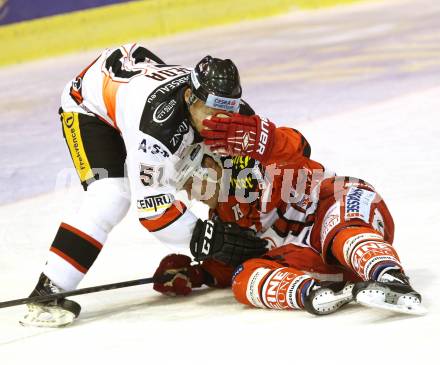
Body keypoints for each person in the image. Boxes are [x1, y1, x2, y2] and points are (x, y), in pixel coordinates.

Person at [21, 43, 261, 327]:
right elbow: (154, 211)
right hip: (90, 106)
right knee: (111, 196)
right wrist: (208, 240)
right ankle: (49, 289)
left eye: (228, 112)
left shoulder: (237, 114)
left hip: (134, 83)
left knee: (216, 172)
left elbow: (253, 168)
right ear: (189, 97)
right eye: (211, 111)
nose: (219, 122)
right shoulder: (157, 129)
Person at [152, 115, 426, 316]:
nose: (189, 194)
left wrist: (266, 139)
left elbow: (295, 146)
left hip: (346, 204)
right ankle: (313, 294)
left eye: (189, 183)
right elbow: (233, 259)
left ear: (209, 165)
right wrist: (197, 273)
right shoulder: (222, 215)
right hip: (318, 262)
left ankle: (391, 277)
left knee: (338, 229)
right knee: (242, 277)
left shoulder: (256, 163)